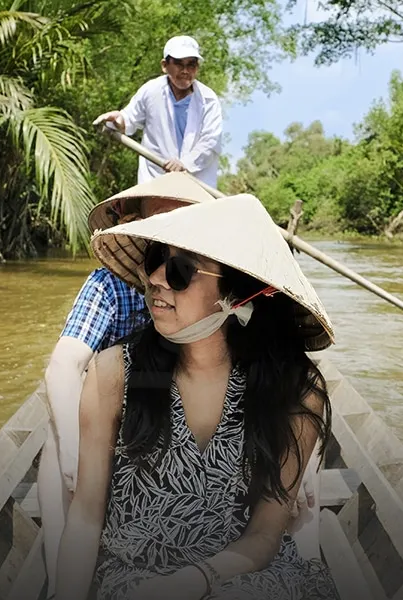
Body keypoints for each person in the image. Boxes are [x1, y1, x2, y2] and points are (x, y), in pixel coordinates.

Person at [56, 194, 340, 600]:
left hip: (244, 574)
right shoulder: (114, 374)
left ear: (237, 295)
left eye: (180, 270)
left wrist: (196, 580)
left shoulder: (295, 392)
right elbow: (85, 518)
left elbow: (264, 534)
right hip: (135, 580)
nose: (154, 278)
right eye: (154, 257)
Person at [40, 172, 218, 600]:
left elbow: (280, 375)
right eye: (159, 231)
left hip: (186, 418)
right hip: (125, 418)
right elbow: (63, 365)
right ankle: (62, 574)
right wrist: (70, 450)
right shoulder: (111, 286)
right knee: (55, 440)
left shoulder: (213, 286)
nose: (162, 276)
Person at [92, 35, 223, 188]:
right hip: (155, 181)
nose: (185, 71)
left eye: (191, 65)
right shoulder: (151, 91)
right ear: (164, 66)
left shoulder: (208, 100)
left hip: (196, 185)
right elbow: (128, 119)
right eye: (179, 64)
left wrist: (184, 164)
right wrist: (118, 120)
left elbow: (210, 142)